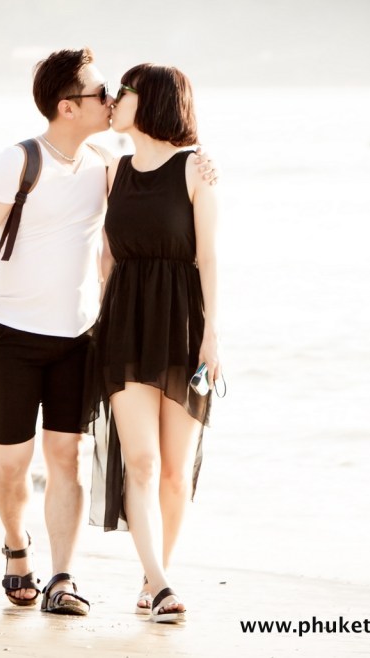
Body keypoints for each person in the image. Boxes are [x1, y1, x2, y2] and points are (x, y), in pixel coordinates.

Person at [0, 49, 216, 616]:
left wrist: (202, 166)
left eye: (117, 92)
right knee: (14, 463)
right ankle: (17, 549)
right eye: (100, 93)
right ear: (68, 107)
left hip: (80, 337)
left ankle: (64, 577)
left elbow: (154, 200)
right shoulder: (17, 162)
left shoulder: (105, 166)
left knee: (66, 457)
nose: (111, 99)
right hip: (14, 332)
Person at [88, 63, 221, 624]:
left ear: (154, 101)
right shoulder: (111, 171)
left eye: (125, 92)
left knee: (173, 468)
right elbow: (106, 257)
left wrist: (213, 336)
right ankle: (163, 585)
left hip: (183, 325)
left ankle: (153, 575)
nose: (115, 101)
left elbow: (208, 257)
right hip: (124, 325)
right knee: (138, 462)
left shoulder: (196, 170)